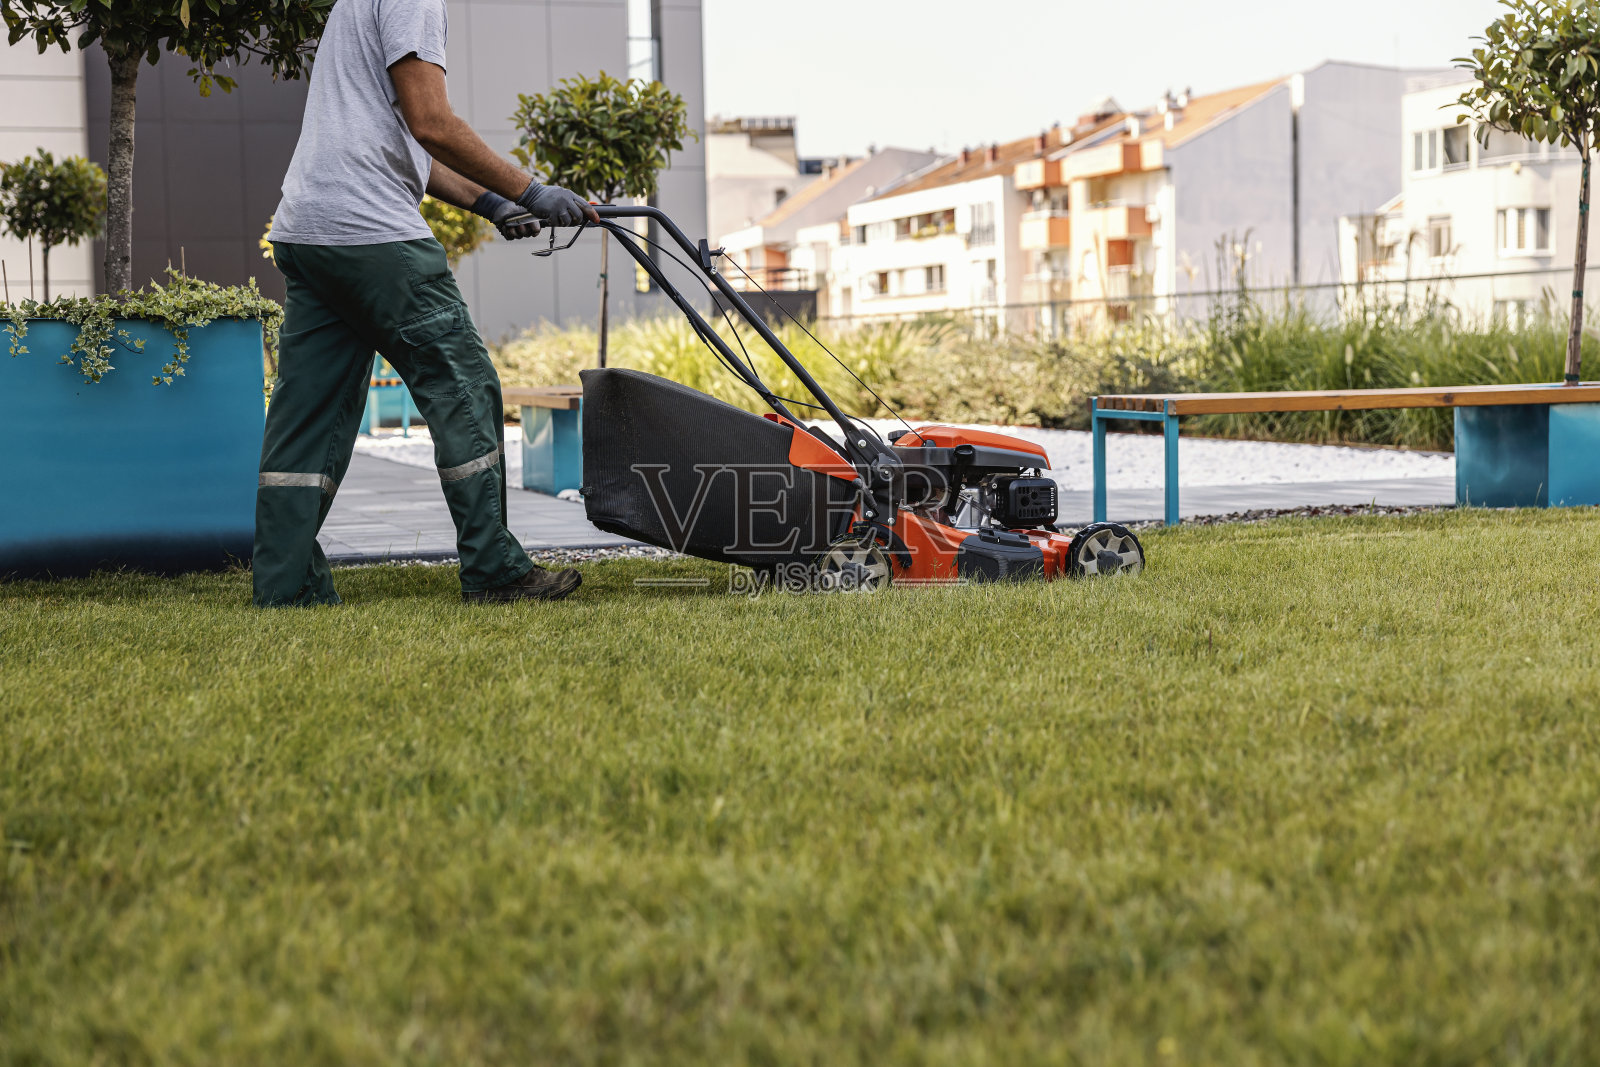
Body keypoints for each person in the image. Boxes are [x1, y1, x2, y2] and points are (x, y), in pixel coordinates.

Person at [255, 0, 598, 607]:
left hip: (309, 231)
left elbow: (397, 139)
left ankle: (285, 585)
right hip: (373, 234)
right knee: (464, 385)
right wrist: (533, 190)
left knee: (307, 414)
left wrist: (491, 203)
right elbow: (431, 122)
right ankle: (494, 570)